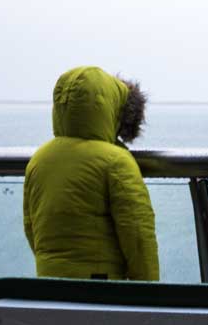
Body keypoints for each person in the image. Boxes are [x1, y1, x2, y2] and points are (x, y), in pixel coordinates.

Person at [23, 65, 159, 280]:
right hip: (100, 291)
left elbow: (31, 226)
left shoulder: (39, 160)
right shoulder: (116, 161)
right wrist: (149, 293)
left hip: (50, 288)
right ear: (112, 109)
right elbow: (138, 235)